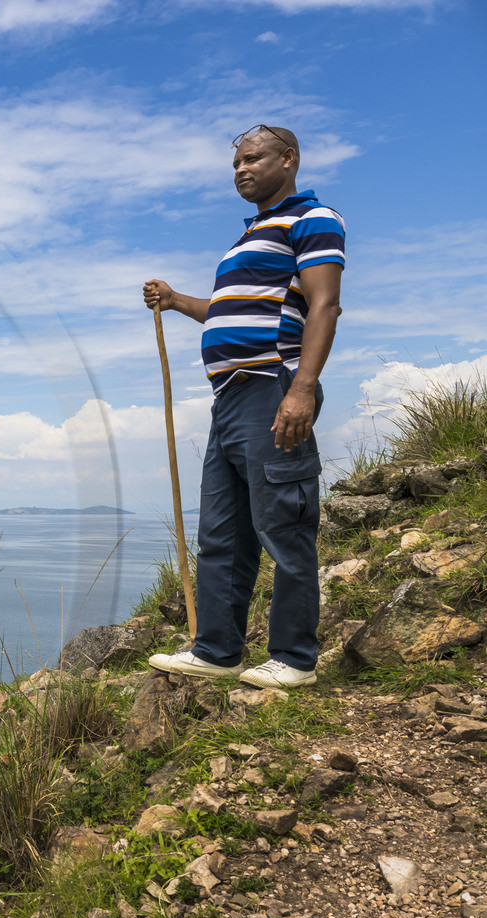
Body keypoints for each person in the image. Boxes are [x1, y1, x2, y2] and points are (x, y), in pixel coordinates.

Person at [142, 124, 345, 689]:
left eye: (253, 159)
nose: (241, 170)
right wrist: (177, 300)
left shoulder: (313, 219)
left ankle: (294, 660)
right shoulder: (247, 239)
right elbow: (231, 312)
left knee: (284, 525)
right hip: (229, 397)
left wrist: (302, 388)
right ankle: (217, 650)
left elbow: (325, 305)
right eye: (236, 164)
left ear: (289, 158)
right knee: (222, 533)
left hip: (272, 388)